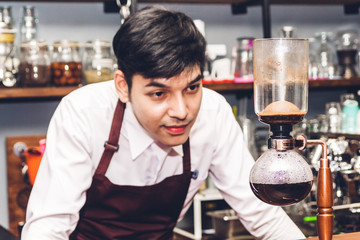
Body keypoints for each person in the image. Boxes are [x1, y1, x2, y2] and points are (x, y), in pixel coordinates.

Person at [22, 6, 306, 240]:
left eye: (192, 88)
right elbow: (48, 227)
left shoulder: (213, 112)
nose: (182, 111)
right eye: (159, 93)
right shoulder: (83, 112)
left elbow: (263, 217)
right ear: (123, 85)